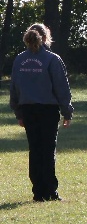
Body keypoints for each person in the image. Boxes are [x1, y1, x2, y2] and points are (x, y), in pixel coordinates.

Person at [10, 23, 74, 202]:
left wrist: (18, 113)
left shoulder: (19, 60)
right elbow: (62, 88)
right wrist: (67, 112)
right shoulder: (52, 59)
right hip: (48, 110)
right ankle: (50, 191)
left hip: (28, 110)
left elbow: (14, 87)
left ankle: (38, 191)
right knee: (47, 149)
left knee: (35, 149)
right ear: (46, 37)